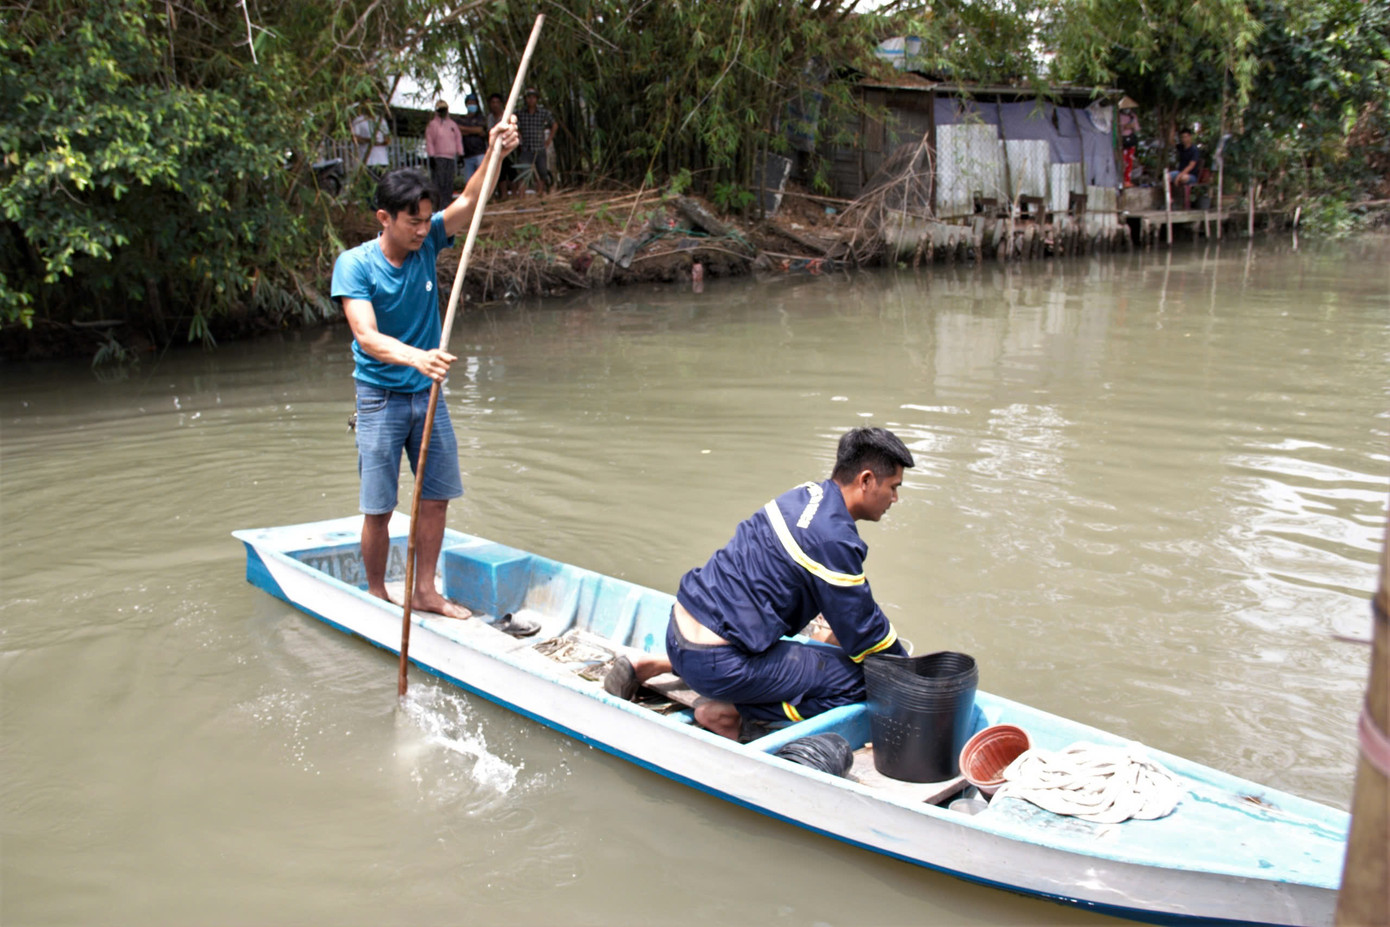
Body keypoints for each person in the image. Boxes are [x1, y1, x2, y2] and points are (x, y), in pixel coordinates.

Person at [330, 116, 537, 637]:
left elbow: (468, 202)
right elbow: (366, 335)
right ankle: (377, 594)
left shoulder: (429, 242)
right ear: (385, 218)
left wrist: (494, 150)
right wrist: (416, 358)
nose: (424, 230)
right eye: (412, 222)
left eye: (426, 220)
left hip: (428, 394)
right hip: (380, 396)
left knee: (436, 495)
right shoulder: (355, 266)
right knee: (380, 507)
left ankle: (423, 591)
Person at [607, 427, 915, 740]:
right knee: (862, 679)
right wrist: (907, 675)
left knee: (805, 643)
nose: (895, 498)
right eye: (893, 487)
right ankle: (732, 714)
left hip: (677, 633)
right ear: (865, 480)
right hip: (716, 664)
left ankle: (656, 663)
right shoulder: (832, 537)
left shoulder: (804, 495)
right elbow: (866, 633)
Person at [512, 88, 556, 197]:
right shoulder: (520, 112)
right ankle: (522, 195)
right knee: (523, 173)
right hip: (526, 148)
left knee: (542, 172)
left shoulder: (543, 112)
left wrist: (549, 140)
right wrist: (517, 133)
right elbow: (511, 120)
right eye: (529, 97)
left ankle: (540, 193)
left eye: (533, 97)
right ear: (525, 99)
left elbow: (554, 125)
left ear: (536, 99)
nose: (531, 100)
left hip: (539, 147)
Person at [424, 100, 463, 202]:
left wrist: (460, 153)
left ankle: (446, 206)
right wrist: (431, 155)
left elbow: (458, 139)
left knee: (448, 183)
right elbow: (430, 141)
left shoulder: (452, 125)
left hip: (450, 158)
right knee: (438, 183)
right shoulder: (433, 124)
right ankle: (437, 206)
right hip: (438, 157)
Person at [485, 93, 515, 199]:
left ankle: (515, 196)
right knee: (500, 174)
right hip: (497, 149)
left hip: (510, 149)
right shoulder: (490, 118)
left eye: (497, 102)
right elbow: (490, 131)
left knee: (512, 173)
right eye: (493, 102)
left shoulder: (507, 116)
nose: (495, 105)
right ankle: (504, 195)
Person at [456, 93, 489, 184]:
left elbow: (480, 130)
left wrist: (464, 129)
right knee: (469, 182)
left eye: (474, 103)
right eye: (470, 103)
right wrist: (473, 131)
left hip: (480, 153)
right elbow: (457, 130)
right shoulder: (462, 119)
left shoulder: (480, 118)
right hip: (467, 155)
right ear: (466, 104)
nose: (472, 105)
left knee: (483, 180)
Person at [351, 107, 391, 180]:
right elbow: (354, 138)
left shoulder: (381, 120)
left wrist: (384, 142)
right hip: (367, 161)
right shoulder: (359, 120)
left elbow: (387, 137)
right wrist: (369, 140)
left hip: (382, 159)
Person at [1118, 98, 1139, 188]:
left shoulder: (1133, 116)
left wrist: (1132, 126)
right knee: (1122, 161)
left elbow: (1137, 128)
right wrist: (1124, 126)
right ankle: (1120, 180)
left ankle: (1127, 180)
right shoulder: (1118, 116)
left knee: (1129, 162)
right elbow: (1116, 128)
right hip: (1122, 141)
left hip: (1130, 141)